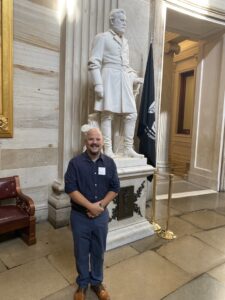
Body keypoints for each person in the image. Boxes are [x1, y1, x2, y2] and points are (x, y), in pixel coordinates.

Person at [64, 128, 120, 300]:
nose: (94, 142)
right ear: (86, 141)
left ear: (102, 141)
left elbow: (115, 188)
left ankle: (96, 282)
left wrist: (100, 206)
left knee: (98, 250)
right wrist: (90, 206)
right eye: (91, 139)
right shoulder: (75, 163)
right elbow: (71, 189)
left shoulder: (109, 163)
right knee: (81, 251)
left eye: (97, 139)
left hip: (100, 217)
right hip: (80, 217)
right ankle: (82, 284)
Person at [88, 8, 143, 158]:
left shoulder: (125, 41)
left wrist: (133, 77)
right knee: (107, 114)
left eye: (126, 21)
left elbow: (125, 65)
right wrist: (98, 84)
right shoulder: (102, 38)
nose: (125, 24)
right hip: (109, 77)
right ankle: (108, 149)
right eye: (121, 20)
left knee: (131, 114)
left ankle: (127, 148)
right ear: (112, 21)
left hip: (124, 79)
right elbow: (94, 63)